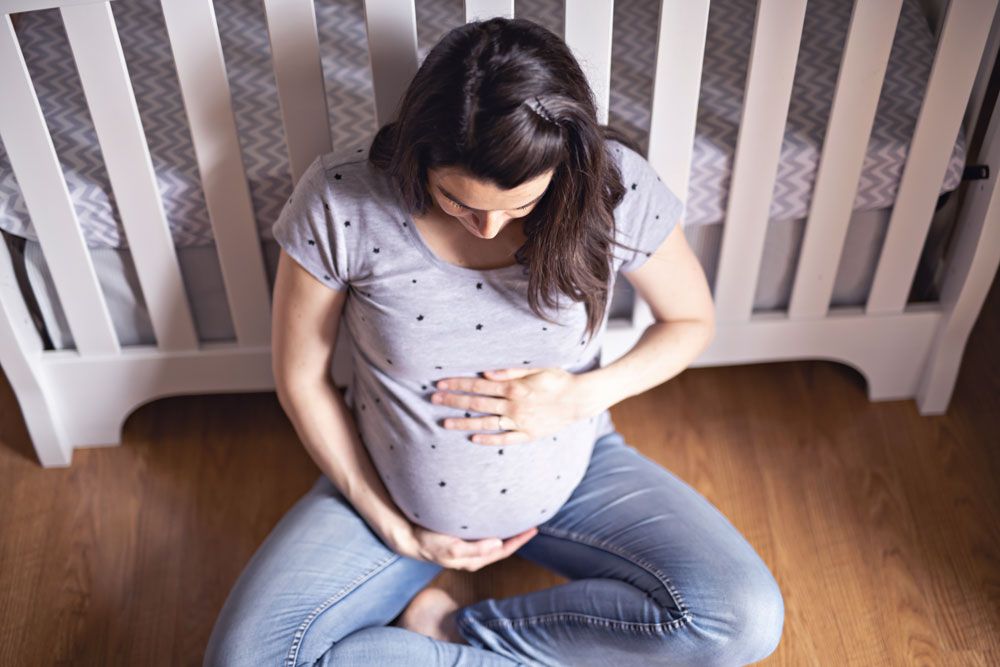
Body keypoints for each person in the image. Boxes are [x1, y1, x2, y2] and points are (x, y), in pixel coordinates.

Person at [204, 16, 784, 667]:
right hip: (392, 498)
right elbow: (302, 379)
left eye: (519, 205)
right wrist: (393, 523)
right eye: (458, 200)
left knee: (740, 616)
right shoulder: (344, 201)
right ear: (419, 155)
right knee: (247, 658)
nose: (487, 227)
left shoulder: (611, 187)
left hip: (576, 473)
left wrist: (578, 396)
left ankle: (454, 632)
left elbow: (690, 322)